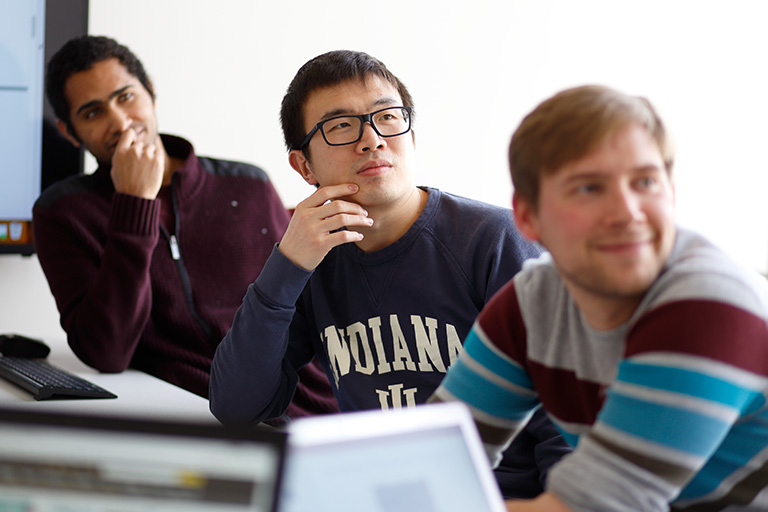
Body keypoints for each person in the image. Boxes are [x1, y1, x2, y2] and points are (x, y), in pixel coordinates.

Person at [209, 49, 570, 498]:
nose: (372, 139)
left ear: (411, 136)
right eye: (341, 126)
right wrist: (286, 265)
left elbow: (567, 420)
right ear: (304, 166)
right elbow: (238, 407)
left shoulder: (495, 242)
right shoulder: (311, 258)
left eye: (387, 117)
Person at [430, 85, 768, 511]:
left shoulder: (711, 305)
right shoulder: (533, 304)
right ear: (528, 216)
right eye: (589, 188)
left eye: (645, 181)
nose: (628, 212)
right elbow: (431, 461)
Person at [33, 35, 338, 422]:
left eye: (126, 97)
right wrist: (135, 205)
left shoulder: (246, 185)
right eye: (93, 113)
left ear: (151, 94)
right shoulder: (63, 213)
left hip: (312, 405)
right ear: (69, 131)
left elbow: (306, 311)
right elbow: (106, 352)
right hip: (199, 416)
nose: (120, 122)